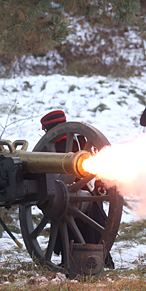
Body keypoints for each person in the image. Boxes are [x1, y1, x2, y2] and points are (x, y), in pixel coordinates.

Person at [41, 110, 115, 269]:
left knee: (85, 224)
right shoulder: (81, 139)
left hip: (75, 195)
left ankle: (80, 260)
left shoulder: (54, 146)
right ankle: (97, 258)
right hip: (79, 194)